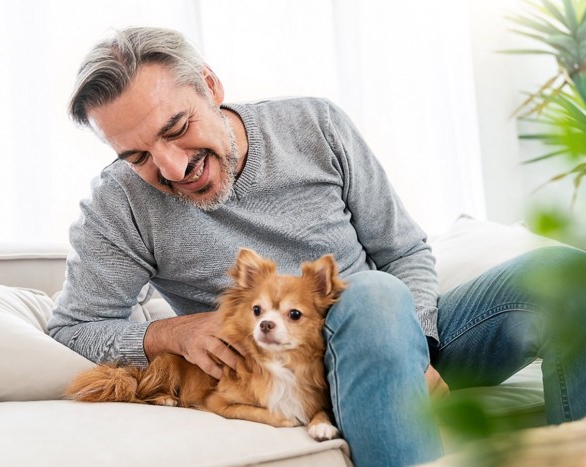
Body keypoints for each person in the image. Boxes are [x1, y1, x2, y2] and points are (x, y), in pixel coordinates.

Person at [48, 26, 586, 467]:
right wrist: (172, 331)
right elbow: (73, 329)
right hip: (280, 372)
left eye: (177, 128)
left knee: (565, 275)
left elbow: (404, 251)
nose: (171, 167)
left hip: (397, 338)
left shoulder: (314, 124)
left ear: (210, 86)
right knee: (373, 293)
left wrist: (411, 348)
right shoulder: (117, 205)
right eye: (136, 156)